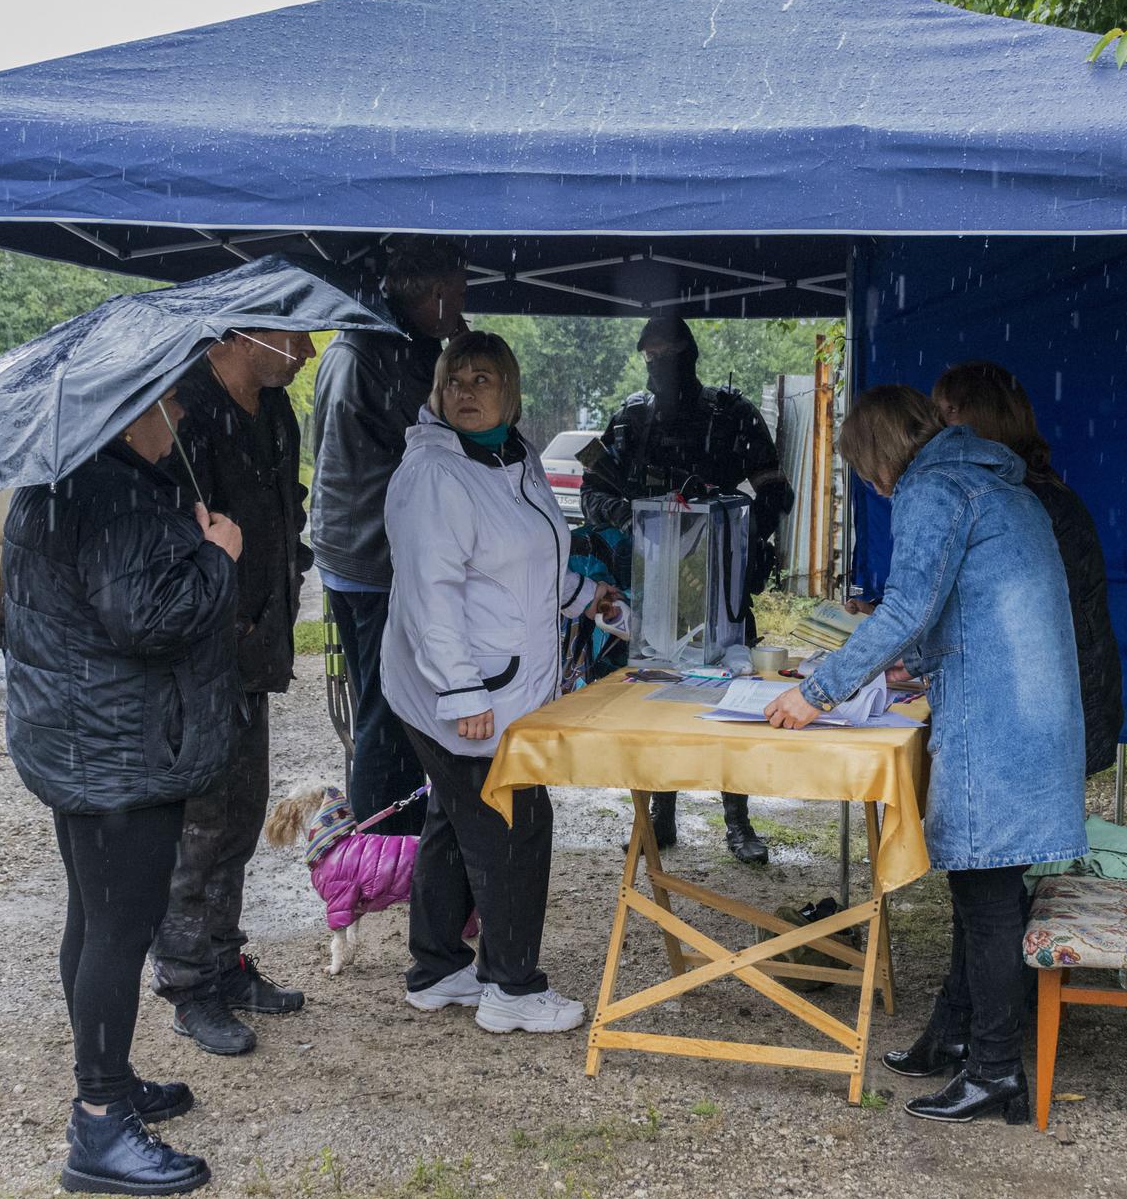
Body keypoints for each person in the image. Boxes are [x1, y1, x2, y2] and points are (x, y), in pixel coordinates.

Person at [763, 385, 1087, 1126]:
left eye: (864, 470)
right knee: (987, 890)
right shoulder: (995, 480)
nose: (873, 487)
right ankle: (953, 1036)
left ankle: (996, 1071)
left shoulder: (932, 488)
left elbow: (909, 606)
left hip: (997, 718)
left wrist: (818, 691)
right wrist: (917, 662)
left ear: (877, 458)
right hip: (1036, 711)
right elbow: (969, 606)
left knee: (987, 899)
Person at [2, 386, 243, 1195]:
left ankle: (108, 1075)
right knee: (119, 927)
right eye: (170, 401)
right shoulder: (111, 496)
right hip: (118, 752)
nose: (180, 415)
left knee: (94, 916)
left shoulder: (59, 480)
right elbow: (150, 616)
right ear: (129, 408)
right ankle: (100, 1122)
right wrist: (219, 555)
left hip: (81, 742)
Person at [382, 331, 616, 1034]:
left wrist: (586, 596)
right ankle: (512, 986)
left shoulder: (515, 457)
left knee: (454, 823)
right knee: (515, 822)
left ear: (509, 393)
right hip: (463, 692)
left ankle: (436, 968)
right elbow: (431, 593)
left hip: (497, 685)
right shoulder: (434, 473)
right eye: (454, 380)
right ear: (437, 392)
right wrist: (461, 691)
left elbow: (524, 563)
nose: (466, 392)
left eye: (482, 379)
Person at [152, 328, 316, 1056]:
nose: (308, 350)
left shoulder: (276, 409)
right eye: (295, 334)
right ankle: (188, 983)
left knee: (243, 812)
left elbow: (287, 504)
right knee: (201, 823)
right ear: (249, 333)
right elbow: (168, 540)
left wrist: (291, 561)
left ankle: (223, 960)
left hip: (257, 646)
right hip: (200, 654)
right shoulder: (183, 409)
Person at [580, 315, 793, 864]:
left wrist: (734, 530)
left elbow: (774, 489)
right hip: (654, 585)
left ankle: (738, 818)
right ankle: (661, 813)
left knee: (734, 695)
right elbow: (592, 493)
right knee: (656, 699)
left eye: (668, 355)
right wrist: (639, 518)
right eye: (649, 357)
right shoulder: (630, 421)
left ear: (690, 354)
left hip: (721, 581)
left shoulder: (733, 414)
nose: (659, 368)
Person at [308, 236, 469, 837]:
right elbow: (436, 445)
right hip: (376, 557)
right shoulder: (391, 354)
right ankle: (384, 837)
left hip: (349, 549)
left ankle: (388, 823)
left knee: (378, 696)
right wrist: (454, 362)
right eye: (459, 291)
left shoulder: (355, 343)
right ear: (432, 295)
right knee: (387, 704)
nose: (463, 303)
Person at [933, 361, 1124, 776]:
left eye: (946, 411)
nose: (938, 427)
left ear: (977, 416)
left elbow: (1012, 615)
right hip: (1061, 702)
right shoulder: (1032, 488)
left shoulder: (1021, 497)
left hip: (1056, 709)